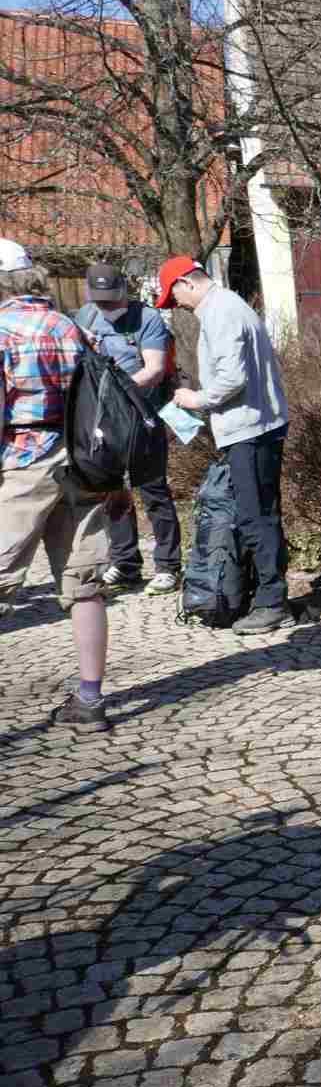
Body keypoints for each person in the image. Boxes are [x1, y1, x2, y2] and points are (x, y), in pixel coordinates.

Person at [0, 239, 125, 731]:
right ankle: (90, 700)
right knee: (84, 583)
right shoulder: (74, 327)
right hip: (81, 464)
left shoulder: (2, 331)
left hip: (22, 462)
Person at [158, 255, 292, 633]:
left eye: (174, 297)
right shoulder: (228, 306)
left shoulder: (221, 312)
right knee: (262, 513)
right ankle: (266, 595)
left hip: (250, 428)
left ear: (187, 282)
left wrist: (196, 399)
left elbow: (232, 378)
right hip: (256, 425)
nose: (177, 305)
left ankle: (272, 603)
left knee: (255, 516)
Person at [73, 262, 182, 596]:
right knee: (112, 489)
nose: (107, 307)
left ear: (124, 291)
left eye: (112, 300)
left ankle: (168, 566)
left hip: (142, 413)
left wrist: (118, 393)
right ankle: (125, 563)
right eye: (100, 301)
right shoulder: (85, 316)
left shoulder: (147, 318)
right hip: (104, 419)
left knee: (152, 489)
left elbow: (154, 369)